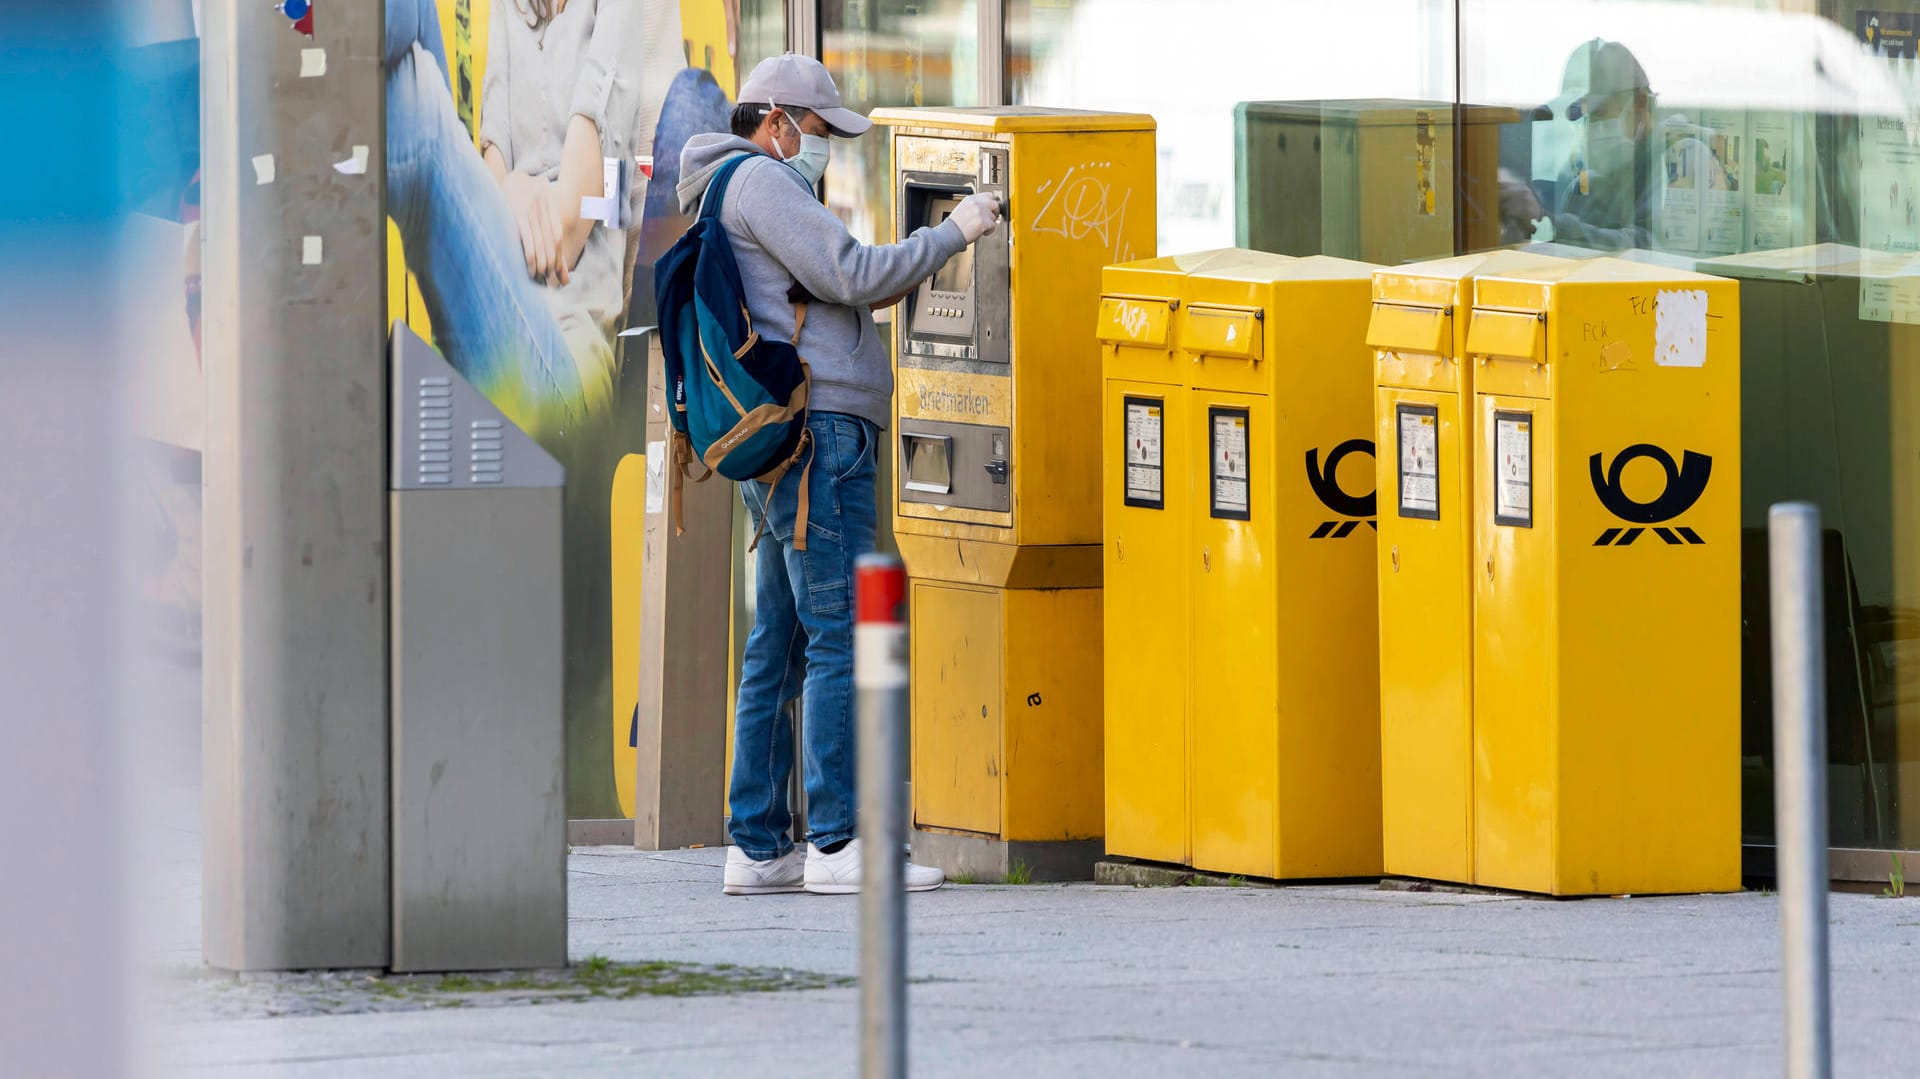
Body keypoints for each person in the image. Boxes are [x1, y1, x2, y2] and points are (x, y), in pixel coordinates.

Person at [675, 53, 1002, 896]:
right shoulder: (763, 183)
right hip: (824, 439)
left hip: (789, 439)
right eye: (821, 130)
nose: (824, 147)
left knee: (779, 643)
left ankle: (756, 845)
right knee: (840, 634)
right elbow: (854, 274)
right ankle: (834, 842)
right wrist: (957, 231)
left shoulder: (725, 186)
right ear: (779, 120)